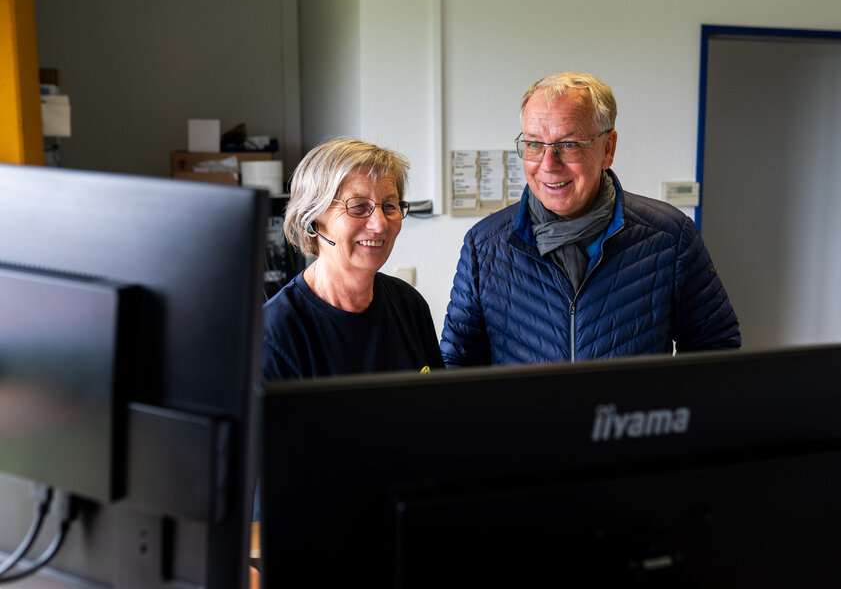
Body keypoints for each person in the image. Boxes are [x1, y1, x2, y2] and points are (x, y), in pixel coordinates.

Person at [440, 71, 740, 366]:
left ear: (607, 148)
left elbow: (714, 347)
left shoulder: (670, 237)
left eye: (569, 145)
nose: (548, 165)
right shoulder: (485, 246)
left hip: (627, 418)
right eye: (533, 144)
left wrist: (660, 411)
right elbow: (457, 364)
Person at [263, 137, 444, 379]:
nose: (380, 224)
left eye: (389, 206)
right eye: (358, 207)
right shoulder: (276, 332)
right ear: (310, 220)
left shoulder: (409, 305)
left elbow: (437, 406)